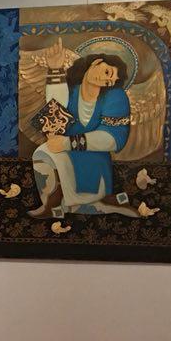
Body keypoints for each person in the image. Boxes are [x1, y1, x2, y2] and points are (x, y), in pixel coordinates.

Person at [28, 39, 138, 218]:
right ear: (97, 62)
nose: (105, 80)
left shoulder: (116, 96)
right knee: (42, 152)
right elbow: (55, 111)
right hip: (63, 153)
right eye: (107, 72)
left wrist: (68, 142)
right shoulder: (71, 90)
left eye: (109, 81)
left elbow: (114, 138)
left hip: (92, 162)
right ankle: (52, 204)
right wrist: (55, 69)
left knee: (87, 206)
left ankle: (94, 204)